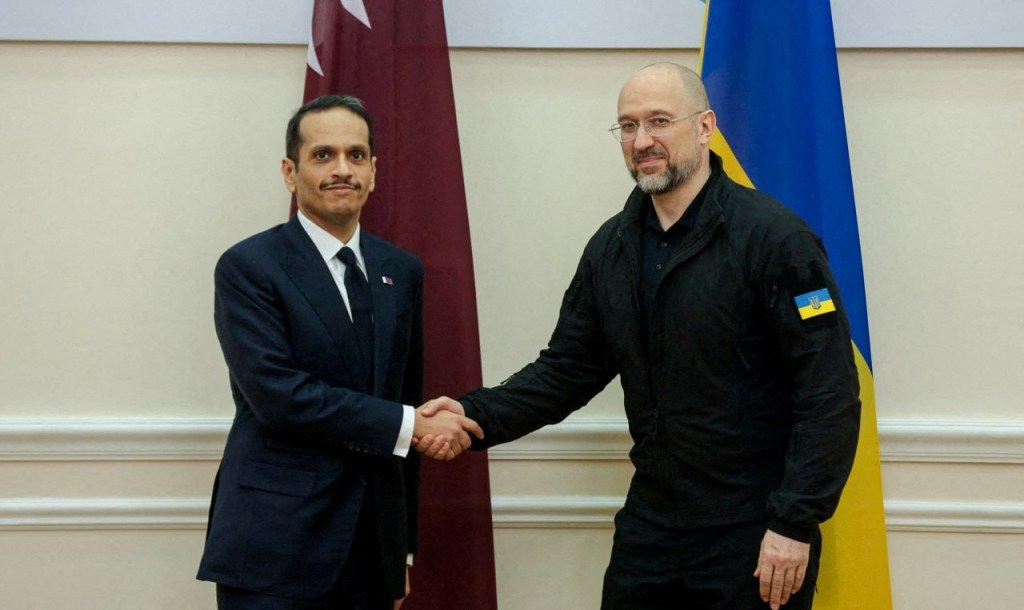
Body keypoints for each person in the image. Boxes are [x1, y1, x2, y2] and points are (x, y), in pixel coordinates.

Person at [417, 63, 861, 610]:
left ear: (704, 127)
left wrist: (795, 521)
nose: (642, 141)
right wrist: (471, 416)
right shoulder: (612, 248)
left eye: (658, 122)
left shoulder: (775, 240)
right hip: (651, 529)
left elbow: (829, 393)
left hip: (755, 532)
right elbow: (565, 370)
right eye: (627, 127)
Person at [197, 94, 482, 610]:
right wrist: (412, 425)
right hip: (274, 549)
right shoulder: (248, 267)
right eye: (322, 155)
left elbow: (405, 397)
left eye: (356, 156)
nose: (341, 170)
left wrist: (403, 550)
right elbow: (278, 396)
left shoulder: (403, 270)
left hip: (371, 552)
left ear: (373, 170)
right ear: (290, 171)